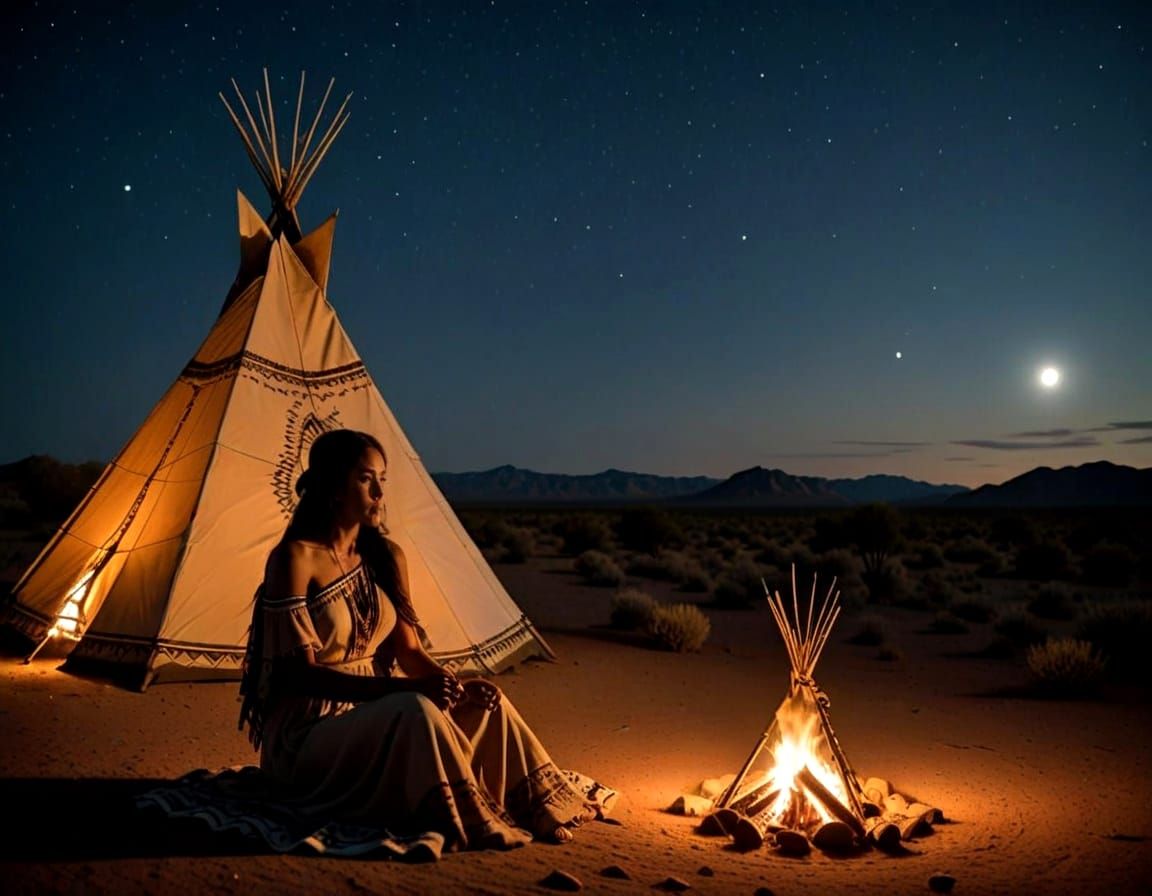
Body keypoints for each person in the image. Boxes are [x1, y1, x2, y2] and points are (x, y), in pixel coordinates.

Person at [141, 429, 614, 859]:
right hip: (308, 734)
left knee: (488, 704)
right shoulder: (294, 559)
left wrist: (451, 684)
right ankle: (468, 817)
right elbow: (295, 674)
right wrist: (405, 694)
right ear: (332, 485)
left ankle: (538, 808)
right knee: (415, 711)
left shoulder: (386, 557)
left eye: (382, 479)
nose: (380, 493)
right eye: (367, 480)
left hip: (381, 713)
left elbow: (407, 653)